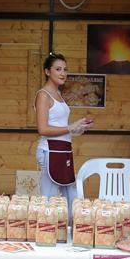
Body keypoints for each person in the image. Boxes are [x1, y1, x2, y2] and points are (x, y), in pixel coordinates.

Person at [35, 53, 93, 203]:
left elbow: (63, 127)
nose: (63, 73)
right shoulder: (43, 95)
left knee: (71, 198)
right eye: (58, 69)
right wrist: (70, 127)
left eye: (65, 70)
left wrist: (78, 128)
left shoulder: (59, 94)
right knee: (50, 199)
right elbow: (43, 129)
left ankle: (68, 225)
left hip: (64, 150)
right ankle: (48, 226)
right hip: (50, 150)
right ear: (47, 72)